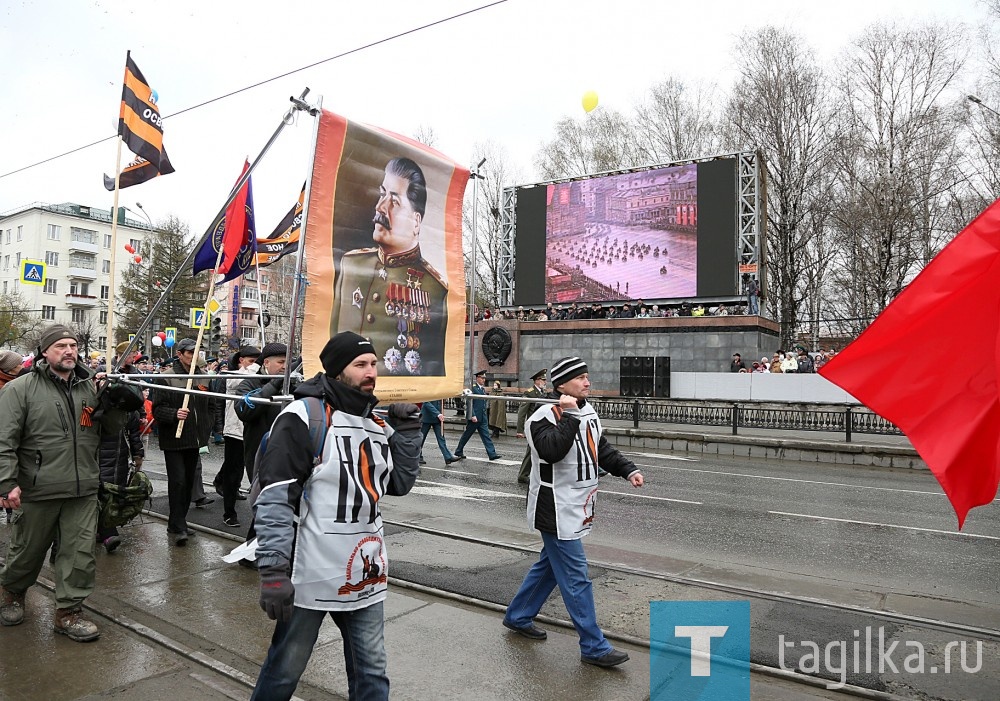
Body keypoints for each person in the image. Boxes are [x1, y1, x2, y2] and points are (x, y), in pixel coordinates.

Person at [249, 331, 421, 701]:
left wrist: (407, 433)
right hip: (311, 571)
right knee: (285, 669)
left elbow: (399, 484)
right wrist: (273, 569)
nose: (371, 372)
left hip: (366, 570)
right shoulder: (302, 418)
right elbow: (275, 496)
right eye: (360, 365)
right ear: (337, 370)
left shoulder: (376, 423)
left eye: (374, 364)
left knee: (372, 671)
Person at [0, 324, 140, 641]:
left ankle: (68, 613)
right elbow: (3, 441)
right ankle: (12, 593)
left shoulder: (91, 388)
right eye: (61, 345)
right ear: (45, 351)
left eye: (73, 345)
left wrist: (116, 403)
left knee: (79, 556)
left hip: (83, 489)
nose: (69, 351)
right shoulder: (20, 390)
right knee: (26, 553)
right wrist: (6, 483)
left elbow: (110, 431)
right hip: (37, 490)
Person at [502, 356, 644, 668]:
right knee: (576, 577)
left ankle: (518, 615)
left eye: (586, 376)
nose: (587, 382)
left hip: (577, 503)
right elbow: (552, 450)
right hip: (554, 507)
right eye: (580, 378)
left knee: (550, 568)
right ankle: (594, 646)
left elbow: (599, 448)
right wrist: (568, 416)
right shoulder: (541, 416)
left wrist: (627, 469)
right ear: (561, 385)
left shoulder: (586, 410)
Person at [331, 157, 449, 377]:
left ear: (416, 222)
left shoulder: (435, 289)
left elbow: (434, 369)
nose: (380, 207)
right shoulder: (350, 264)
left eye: (394, 201)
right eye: (382, 193)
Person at [152, 338, 214, 546]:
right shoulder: (168, 378)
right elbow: (157, 409)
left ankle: (178, 521)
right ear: (179, 354)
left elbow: (211, 405)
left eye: (197, 352)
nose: (194, 356)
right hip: (174, 439)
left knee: (188, 483)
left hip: (195, 438)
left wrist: (207, 425)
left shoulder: (203, 377)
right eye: (190, 353)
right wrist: (174, 413)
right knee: (177, 482)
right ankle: (178, 525)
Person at [213, 346, 260, 528]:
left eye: (257, 361)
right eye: (250, 361)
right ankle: (229, 513)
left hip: (253, 430)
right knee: (233, 472)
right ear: (241, 360)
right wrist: (258, 366)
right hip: (235, 431)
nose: (254, 365)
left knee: (251, 470)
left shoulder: (259, 375)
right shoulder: (233, 375)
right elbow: (242, 382)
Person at [453, 370, 502, 461]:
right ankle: (458, 451)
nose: (484, 380)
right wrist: (472, 415)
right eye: (482, 378)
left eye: (484, 378)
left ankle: (492, 454)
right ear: (477, 378)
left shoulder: (482, 389)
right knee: (467, 435)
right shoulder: (473, 388)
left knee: (486, 435)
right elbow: (469, 402)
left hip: (482, 417)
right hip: (474, 417)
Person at [515, 369, 548, 485]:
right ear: (537, 380)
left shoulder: (543, 393)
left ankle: (535, 475)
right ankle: (523, 475)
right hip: (533, 427)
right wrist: (520, 430)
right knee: (531, 451)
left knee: (538, 451)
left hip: (542, 427)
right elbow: (522, 413)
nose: (545, 382)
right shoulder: (529, 393)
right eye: (543, 380)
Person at [419, 399, 460, 466]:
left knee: (441, 438)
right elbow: (426, 403)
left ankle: (448, 457)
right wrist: (437, 414)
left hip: (437, 418)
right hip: (427, 417)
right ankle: (417, 456)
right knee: (421, 439)